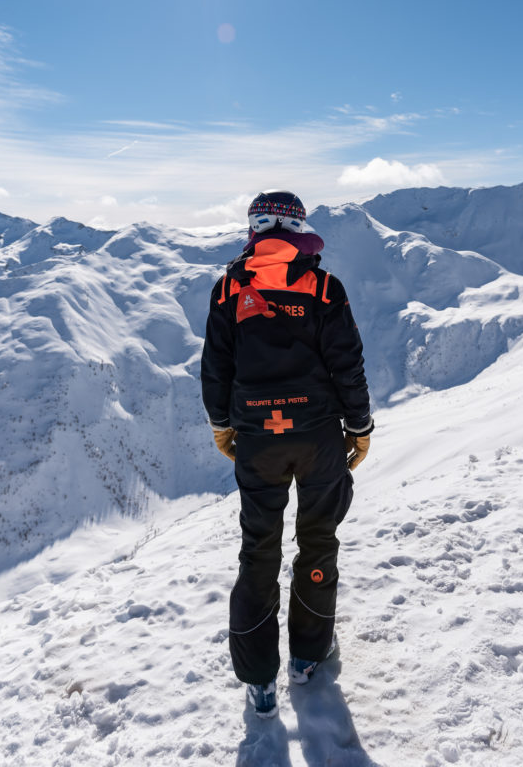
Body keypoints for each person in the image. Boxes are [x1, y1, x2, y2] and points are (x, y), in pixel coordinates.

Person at [201, 189, 373, 718]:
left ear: (254, 230)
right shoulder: (323, 287)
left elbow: (216, 368)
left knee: (259, 551)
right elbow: (347, 363)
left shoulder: (230, 287)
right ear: (298, 231)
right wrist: (359, 428)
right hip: (319, 437)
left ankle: (258, 680)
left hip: (259, 440)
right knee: (318, 542)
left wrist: (223, 426)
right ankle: (308, 656)